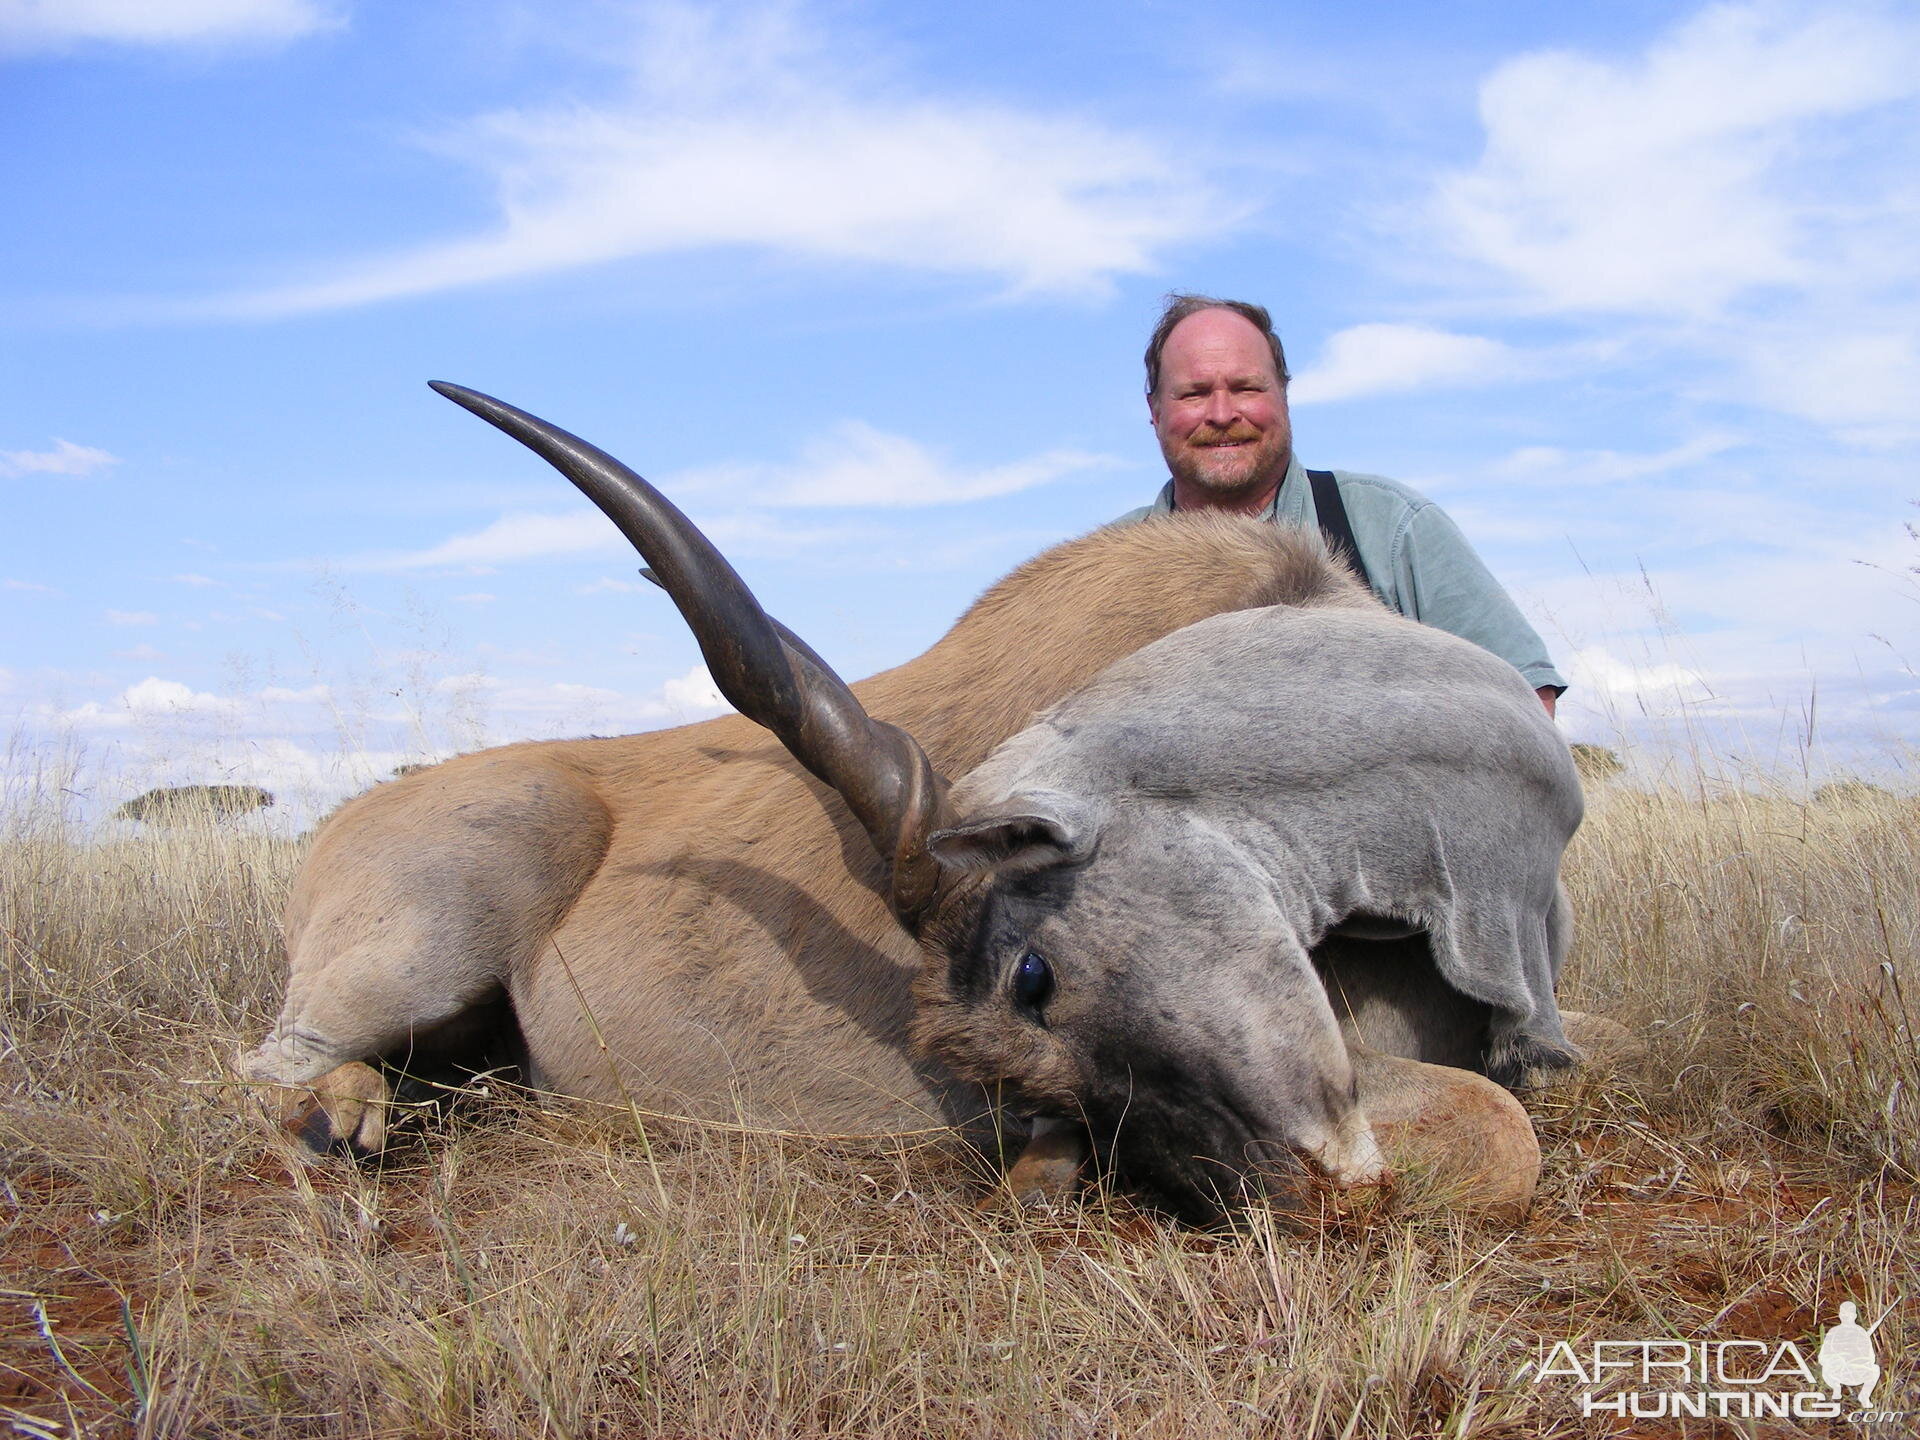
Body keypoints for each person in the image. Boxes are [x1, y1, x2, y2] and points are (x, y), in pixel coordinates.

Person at [1114, 294, 1566, 716]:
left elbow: (1527, 702)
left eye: (1246, 388)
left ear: (1284, 396)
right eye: (1193, 393)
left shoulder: (1393, 526)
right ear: (1154, 410)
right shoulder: (1105, 566)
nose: (1221, 413)